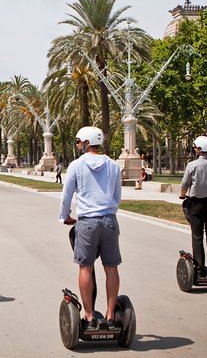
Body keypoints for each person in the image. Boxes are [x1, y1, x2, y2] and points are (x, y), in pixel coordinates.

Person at [58, 126, 122, 330]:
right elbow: (117, 196)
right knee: (111, 268)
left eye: (78, 141)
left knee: (85, 267)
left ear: (86, 143)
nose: (77, 145)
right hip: (109, 220)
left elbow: (66, 195)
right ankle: (111, 316)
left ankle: (88, 316)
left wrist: (64, 216)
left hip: (87, 222)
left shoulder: (76, 165)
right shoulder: (113, 165)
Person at [179, 135, 207, 279]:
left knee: (197, 237)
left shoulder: (192, 165)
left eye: (195, 147)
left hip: (196, 203)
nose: (194, 149)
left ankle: (199, 269)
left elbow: (185, 184)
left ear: (199, 149)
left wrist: (182, 195)